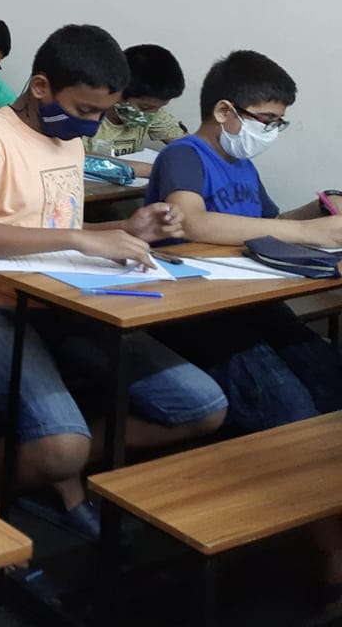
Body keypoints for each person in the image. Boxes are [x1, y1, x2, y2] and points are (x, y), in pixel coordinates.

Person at [0, 25, 227, 538]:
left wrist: (125, 229)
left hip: (62, 299)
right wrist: (79, 238)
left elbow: (53, 229)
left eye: (102, 112)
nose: (92, 125)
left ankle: (63, 463)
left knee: (203, 407)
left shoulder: (66, 138)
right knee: (60, 444)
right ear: (41, 86)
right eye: (86, 110)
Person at [144, 50, 342, 599]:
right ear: (225, 111)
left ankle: (320, 518)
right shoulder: (184, 155)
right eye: (267, 120)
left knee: (329, 378)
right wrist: (308, 235)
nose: (272, 131)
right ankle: (327, 551)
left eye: (279, 122)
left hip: (252, 302)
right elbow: (192, 221)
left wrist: (319, 211)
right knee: (288, 411)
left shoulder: (243, 165)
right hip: (198, 313)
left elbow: (268, 225)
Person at [82, 44, 188, 176]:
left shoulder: (154, 114)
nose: (152, 114)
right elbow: (80, 160)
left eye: (159, 108)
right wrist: (154, 170)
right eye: (145, 108)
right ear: (117, 92)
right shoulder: (85, 115)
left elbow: (190, 148)